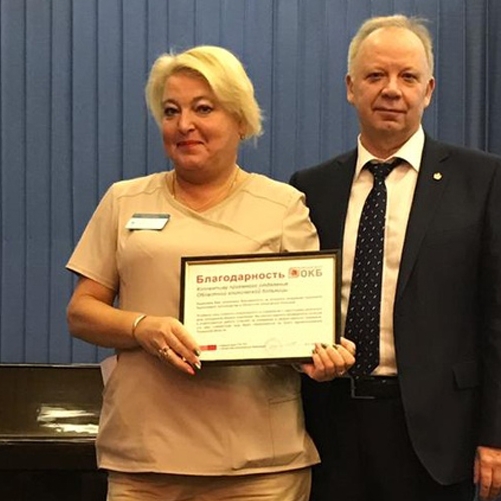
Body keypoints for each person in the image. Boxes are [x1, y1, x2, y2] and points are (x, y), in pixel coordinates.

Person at [66, 45, 355, 501]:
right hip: (145, 461)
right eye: (171, 111)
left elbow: (308, 328)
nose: (184, 124)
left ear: (240, 119)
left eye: (203, 108)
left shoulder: (282, 206)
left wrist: (320, 358)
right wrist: (143, 327)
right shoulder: (124, 201)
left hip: (258, 467)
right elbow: (81, 312)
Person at [290, 14, 501, 501]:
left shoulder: (483, 180)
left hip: (437, 434)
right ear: (350, 87)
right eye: (375, 75)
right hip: (329, 424)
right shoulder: (311, 186)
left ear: (428, 90)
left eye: (407, 77)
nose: (391, 89)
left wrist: (494, 434)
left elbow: (497, 316)